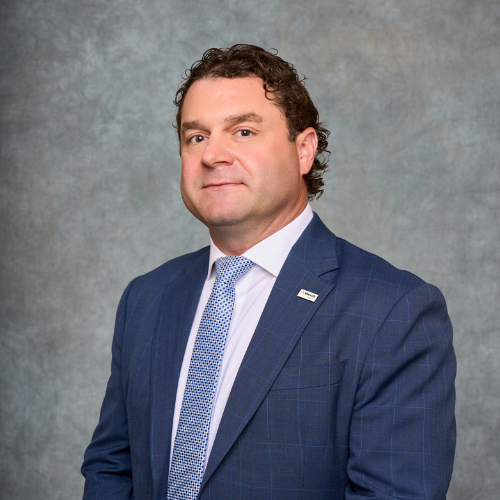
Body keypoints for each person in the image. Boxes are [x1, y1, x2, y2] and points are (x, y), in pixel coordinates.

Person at [82, 44, 456, 500]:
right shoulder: (146, 298)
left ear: (304, 150)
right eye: (195, 137)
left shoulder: (393, 311)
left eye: (243, 131)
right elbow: (111, 469)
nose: (212, 154)